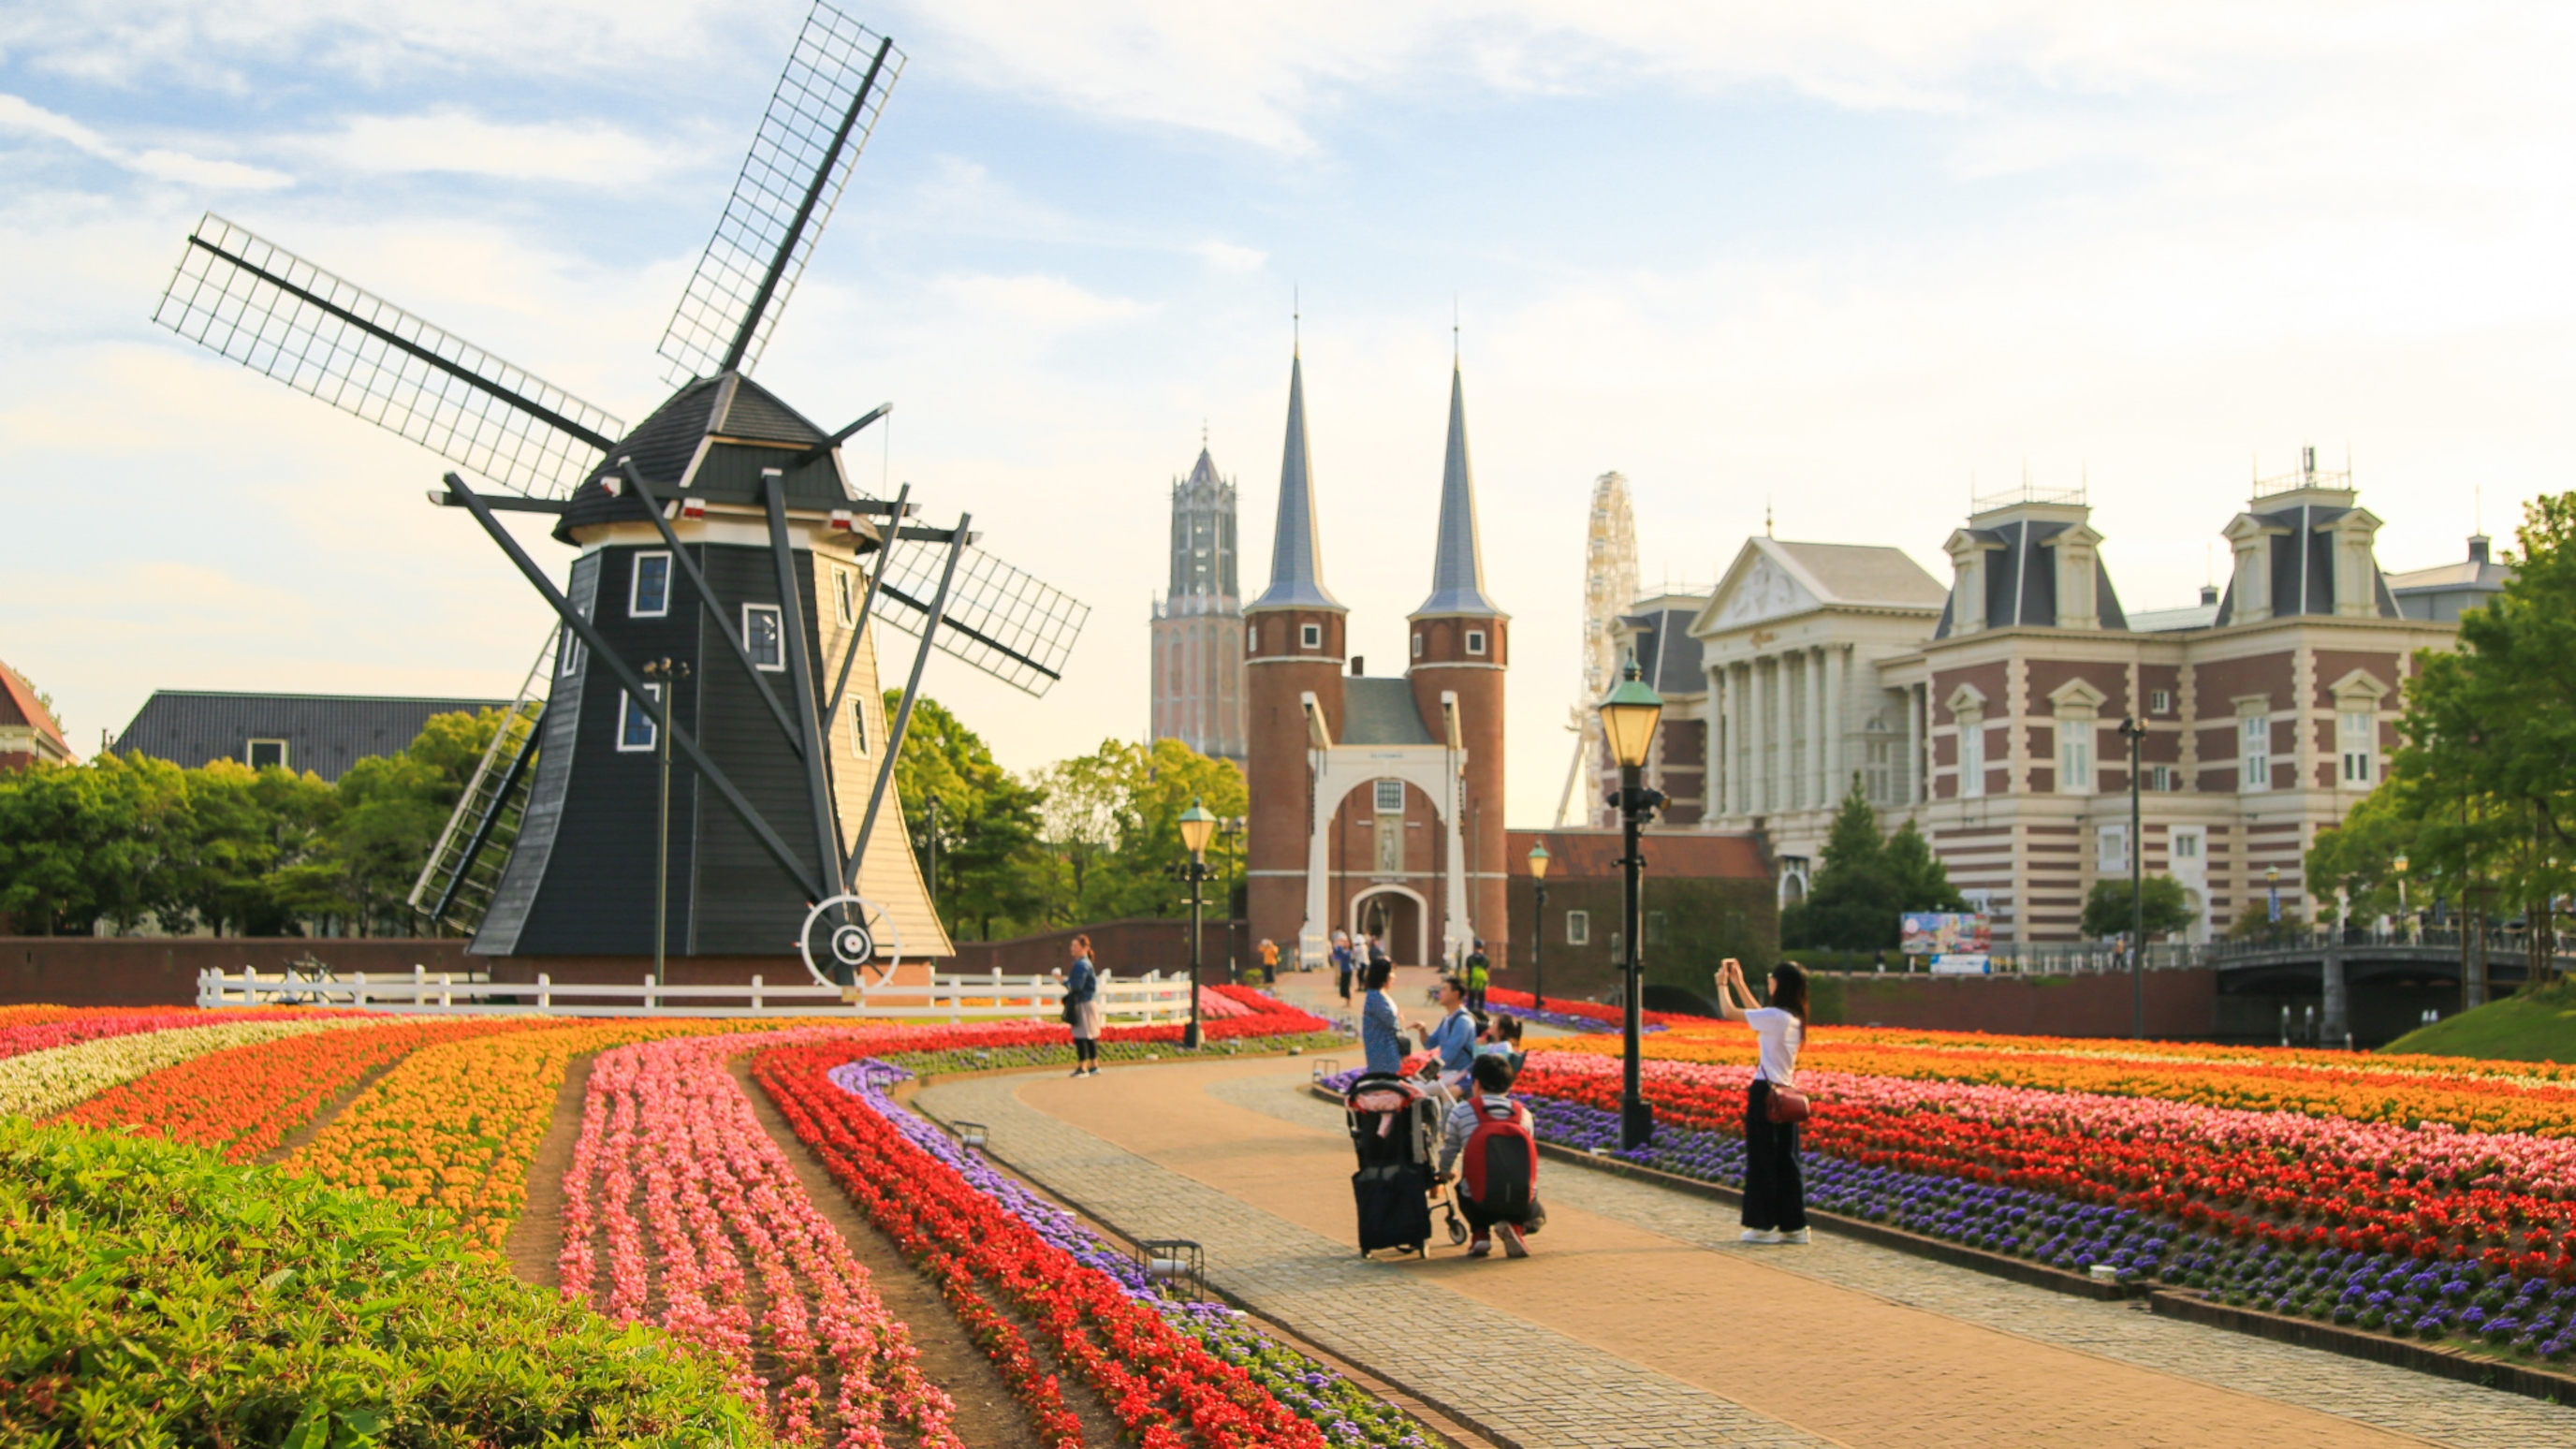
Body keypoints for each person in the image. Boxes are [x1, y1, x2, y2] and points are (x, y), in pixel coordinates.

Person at [1715, 957, 1808, 1244]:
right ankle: (1794, 1226)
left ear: (1779, 984)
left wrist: (1721, 984)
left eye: (1771, 977)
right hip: (1786, 1095)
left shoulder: (1777, 1018)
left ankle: (1763, 1225)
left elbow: (1730, 1012)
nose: (1769, 980)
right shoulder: (1792, 1018)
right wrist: (1739, 982)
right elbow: (1760, 1015)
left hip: (1765, 1094)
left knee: (1761, 1159)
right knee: (1785, 1161)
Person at [1437, 1052, 1542, 1258]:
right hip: (1519, 1199)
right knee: (1532, 1203)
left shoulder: (1462, 1112)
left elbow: (1450, 1149)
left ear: (1476, 1083)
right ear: (1508, 1084)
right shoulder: (1524, 1115)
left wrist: (1444, 1173)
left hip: (1479, 1199)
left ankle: (1480, 1234)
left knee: (1463, 1185)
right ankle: (1515, 1227)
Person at [1413, 975, 1478, 1088]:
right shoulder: (1448, 1019)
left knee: (1415, 1088)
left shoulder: (1463, 1021)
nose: (1440, 993)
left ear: (1456, 994)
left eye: (1444, 989)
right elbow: (1430, 1044)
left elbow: (1448, 1055)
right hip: (1446, 1072)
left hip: (1458, 1074)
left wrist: (1424, 1075)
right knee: (1410, 1084)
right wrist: (1422, 1031)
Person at [1056, 935, 1104, 1078]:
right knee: (1089, 1035)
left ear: (1084, 948)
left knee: (1081, 1035)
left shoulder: (1080, 965)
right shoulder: (1086, 963)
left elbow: (1076, 986)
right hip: (1089, 1002)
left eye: (1075, 946)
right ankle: (1094, 1064)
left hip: (1082, 1003)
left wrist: (1063, 981)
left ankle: (1082, 1067)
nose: (1072, 949)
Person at [1360, 959, 1406, 1075]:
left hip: (1387, 1045)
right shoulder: (1375, 996)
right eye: (1391, 972)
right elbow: (1391, 1021)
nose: (1394, 977)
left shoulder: (1379, 994)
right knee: (1385, 1078)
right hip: (1382, 1047)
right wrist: (1399, 1020)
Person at [1463, 940, 1491, 1014]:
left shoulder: (1470, 958)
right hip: (1482, 980)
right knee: (1481, 996)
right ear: (1483, 947)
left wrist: (1467, 980)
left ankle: (1470, 1011)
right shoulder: (1486, 958)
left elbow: (1468, 970)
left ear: (1474, 947)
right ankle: (1481, 1011)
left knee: (1471, 996)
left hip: (1472, 980)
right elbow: (1487, 971)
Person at [1332, 929, 1355, 1003]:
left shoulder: (1350, 952)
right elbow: (1335, 949)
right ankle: (1347, 998)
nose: (1344, 944)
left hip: (1348, 969)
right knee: (1343, 986)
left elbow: (1346, 956)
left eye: (1346, 943)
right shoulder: (1341, 950)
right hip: (1343, 969)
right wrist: (1337, 941)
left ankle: (1349, 1000)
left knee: (1347, 985)